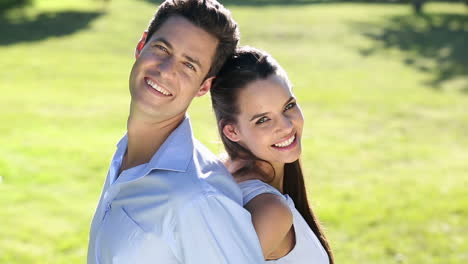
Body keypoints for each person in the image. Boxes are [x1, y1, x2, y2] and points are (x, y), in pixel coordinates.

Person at [87, 1, 264, 263]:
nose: (166, 70)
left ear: (204, 87)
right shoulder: (127, 156)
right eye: (162, 48)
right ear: (141, 46)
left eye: (188, 65)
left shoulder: (199, 197)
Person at [210, 46, 335, 263]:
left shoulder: (223, 171)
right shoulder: (271, 211)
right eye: (263, 120)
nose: (286, 126)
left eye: (288, 106)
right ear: (232, 131)